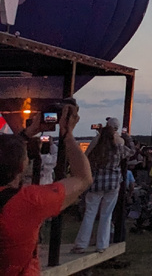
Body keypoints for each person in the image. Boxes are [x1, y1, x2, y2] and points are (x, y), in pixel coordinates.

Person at [0, 105, 93, 274]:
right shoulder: (29, 201)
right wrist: (68, 134)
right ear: (22, 166)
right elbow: (83, 178)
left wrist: (26, 134)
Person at [72, 122, 123, 254]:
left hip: (96, 182)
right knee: (107, 214)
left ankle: (81, 244)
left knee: (90, 213)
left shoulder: (96, 144)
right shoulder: (118, 145)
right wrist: (126, 137)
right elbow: (130, 152)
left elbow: (86, 156)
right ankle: (102, 245)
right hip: (112, 183)